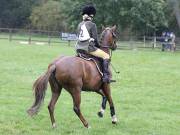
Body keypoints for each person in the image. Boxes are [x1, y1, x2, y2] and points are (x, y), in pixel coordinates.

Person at [75, 4, 111, 83]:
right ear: (91, 15)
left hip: (78, 48)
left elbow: (78, 36)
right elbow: (95, 39)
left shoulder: (80, 24)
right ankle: (105, 76)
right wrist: (99, 46)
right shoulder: (92, 25)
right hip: (88, 48)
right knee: (106, 55)